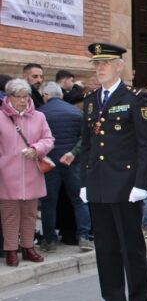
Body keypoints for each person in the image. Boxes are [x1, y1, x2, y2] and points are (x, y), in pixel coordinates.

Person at [80, 42, 147, 301]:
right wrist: (85, 181)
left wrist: (141, 184)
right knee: (105, 248)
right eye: (96, 64)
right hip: (98, 185)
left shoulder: (135, 98)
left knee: (131, 248)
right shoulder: (90, 101)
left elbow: (145, 144)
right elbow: (87, 145)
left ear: (119, 66)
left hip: (125, 185)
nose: (100, 68)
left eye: (105, 63)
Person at [0, 79, 54, 266]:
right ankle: (11, 250)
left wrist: (36, 149)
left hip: (32, 173)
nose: (23, 101)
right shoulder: (1, 117)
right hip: (6, 175)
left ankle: (28, 247)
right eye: (18, 97)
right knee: (10, 215)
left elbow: (48, 139)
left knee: (30, 214)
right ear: (9, 97)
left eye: (26, 96)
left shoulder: (39, 116)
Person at [38, 82, 92, 252]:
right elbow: (86, 137)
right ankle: (84, 237)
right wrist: (74, 153)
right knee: (79, 200)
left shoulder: (40, 113)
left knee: (48, 202)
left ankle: (50, 240)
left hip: (50, 163)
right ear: (61, 95)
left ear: (45, 95)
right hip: (72, 162)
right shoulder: (75, 112)